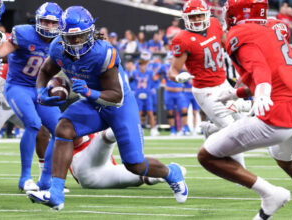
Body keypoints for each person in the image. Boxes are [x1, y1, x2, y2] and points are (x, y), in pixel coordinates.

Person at [27, 6, 187, 211]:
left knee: (134, 164)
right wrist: (41, 92)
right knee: (63, 129)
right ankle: (56, 193)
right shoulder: (58, 47)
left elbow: (116, 95)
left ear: (90, 32)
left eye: (80, 36)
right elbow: (46, 70)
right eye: (70, 37)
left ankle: (170, 172)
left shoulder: (103, 51)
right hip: (92, 104)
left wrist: (88, 92)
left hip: (118, 107)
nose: (75, 42)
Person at [197, 0, 292, 219]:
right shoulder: (272, 27)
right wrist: (238, 93)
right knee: (286, 160)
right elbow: (276, 69)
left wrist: (262, 93)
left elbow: (260, 69)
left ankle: (270, 194)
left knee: (207, 155)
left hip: (280, 112)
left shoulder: (240, 32)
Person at [0, 2, 63, 191]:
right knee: (33, 123)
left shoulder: (62, 41)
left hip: (41, 89)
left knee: (61, 129)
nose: (49, 26)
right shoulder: (24, 33)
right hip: (18, 87)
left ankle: (46, 179)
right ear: (38, 20)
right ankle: (25, 177)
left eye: (53, 23)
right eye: (45, 22)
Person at [169, 0, 245, 166]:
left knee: (244, 122)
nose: (196, 19)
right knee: (231, 130)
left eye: (199, 15)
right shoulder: (182, 39)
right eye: (192, 16)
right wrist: (178, 77)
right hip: (205, 90)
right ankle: (243, 173)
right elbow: (172, 71)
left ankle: (210, 129)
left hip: (223, 83)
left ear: (207, 14)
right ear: (185, 18)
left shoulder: (215, 24)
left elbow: (228, 46)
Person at [71, 128, 184, 188]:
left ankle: (168, 173)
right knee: (107, 135)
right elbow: (75, 137)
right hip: (84, 169)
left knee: (141, 176)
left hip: (101, 174)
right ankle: (126, 125)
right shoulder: (68, 134)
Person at [132, 51, 159, 136]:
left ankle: (153, 129)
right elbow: (131, 82)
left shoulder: (150, 72)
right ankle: (140, 129)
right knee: (139, 113)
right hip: (138, 95)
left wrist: (154, 89)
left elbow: (157, 81)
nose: (142, 66)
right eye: (141, 64)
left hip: (148, 95)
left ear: (146, 65)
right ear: (138, 65)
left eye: (144, 64)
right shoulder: (134, 73)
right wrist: (134, 90)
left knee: (150, 112)